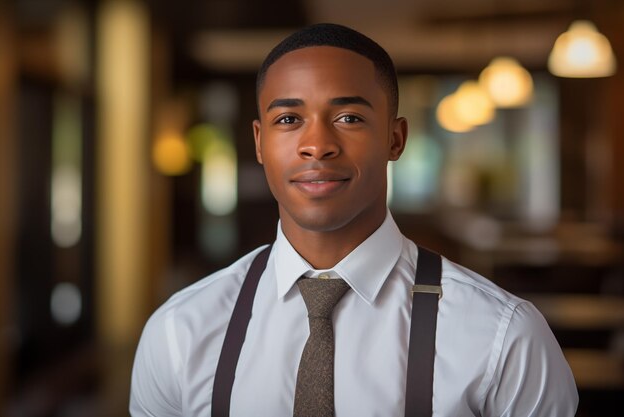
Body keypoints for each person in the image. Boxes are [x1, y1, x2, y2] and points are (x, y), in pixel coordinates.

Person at [130, 23, 578, 416]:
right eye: (289, 118)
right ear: (260, 142)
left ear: (395, 139)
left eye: (348, 117)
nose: (317, 144)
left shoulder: (504, 338)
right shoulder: (180, 332)